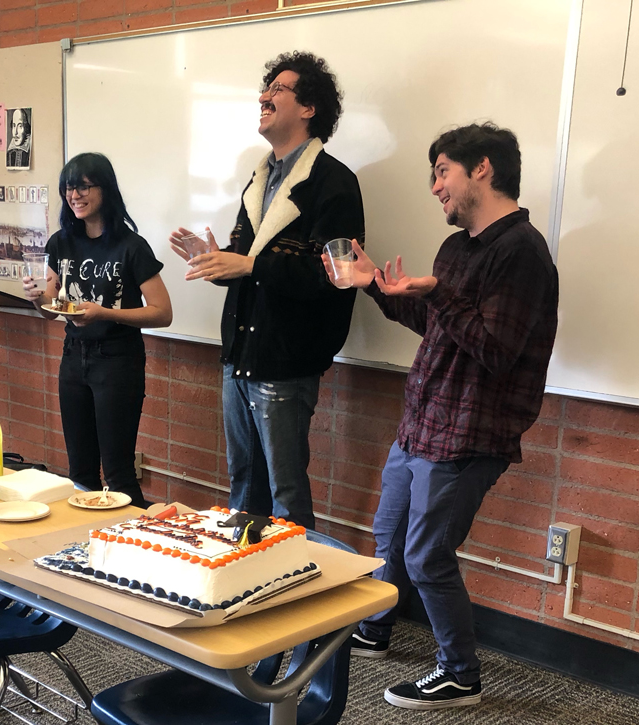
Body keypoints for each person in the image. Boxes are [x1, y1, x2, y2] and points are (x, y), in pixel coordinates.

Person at [323, 123, 558, 710]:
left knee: (427, 555)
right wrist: (376, 285)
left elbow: (496, 349)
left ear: (482, 168)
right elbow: (438, 327)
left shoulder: (522, 252)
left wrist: (437, 294)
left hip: (470, 432)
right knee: (389, 537)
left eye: (441, 172)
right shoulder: (457, 248)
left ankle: (460, 673)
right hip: (423, 422)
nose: (434, 188)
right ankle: (375, 628)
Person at [170, 51, 365, 530]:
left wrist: (250, 263)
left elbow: (333, 276)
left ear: (309, 108)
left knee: (286, 498)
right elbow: (246, 265)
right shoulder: (259, 179)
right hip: (240, 353)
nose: (263, 96)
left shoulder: (335, 183)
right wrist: (216, 261)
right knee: (243, 488)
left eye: (278, 89)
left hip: (285, 359)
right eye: (265, 89)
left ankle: (300, 593)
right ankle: (244, 589)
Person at [22, 153, 172, 507]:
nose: (75, 194)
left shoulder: (131, 247)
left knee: (118, 472)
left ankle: (135, 547)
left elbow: (162, 312)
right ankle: (84, 549)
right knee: (80, 473)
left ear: (105, 190)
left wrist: (105, 313)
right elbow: (50, 311)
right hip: (73, 360)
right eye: (68, 187)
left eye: (84, 186)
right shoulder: (60, 244)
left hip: (118, 363)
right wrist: (35, 299)